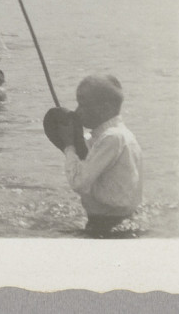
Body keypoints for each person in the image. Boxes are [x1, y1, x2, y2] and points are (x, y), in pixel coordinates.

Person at [56, 74, 143, 236]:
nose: (77, 112)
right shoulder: (116, 135)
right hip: (120, 220)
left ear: (106, 108)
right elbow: (85, 153)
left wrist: (69, 146)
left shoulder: (112, 138)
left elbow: (79, 183)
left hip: (109, 225)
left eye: (83, 105)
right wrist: (74, 140)